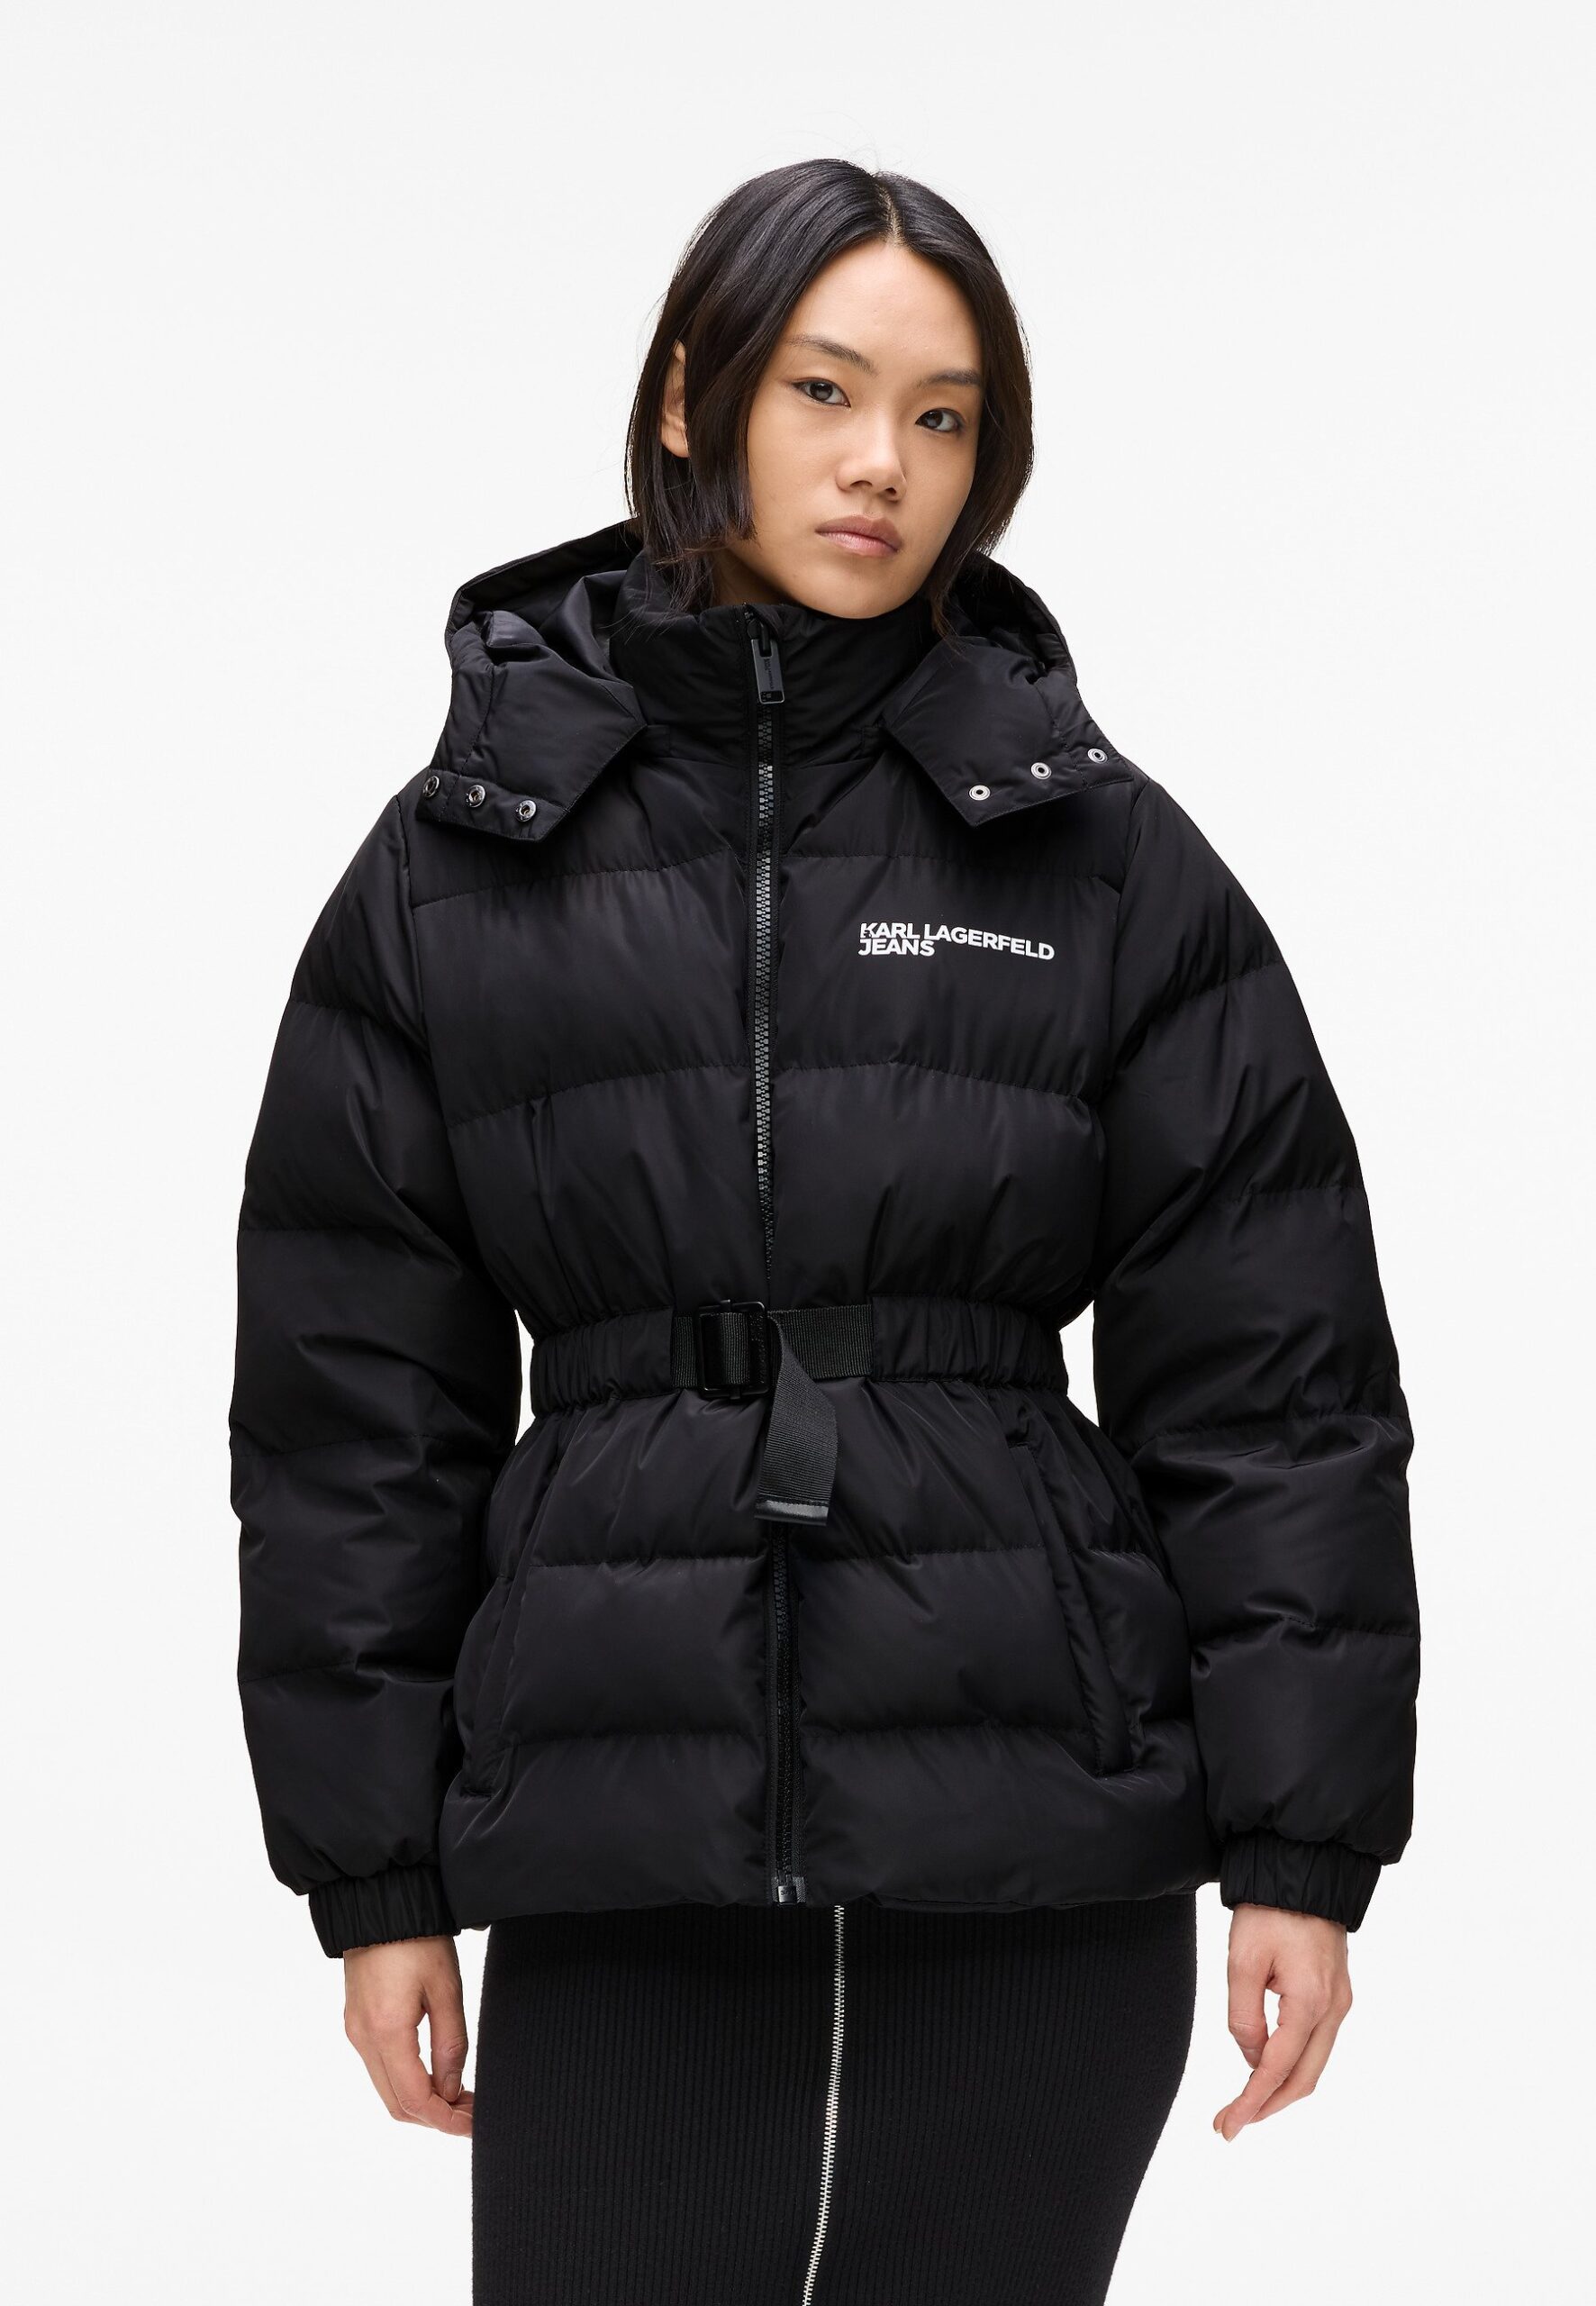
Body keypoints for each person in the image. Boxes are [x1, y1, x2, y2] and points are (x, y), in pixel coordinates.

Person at [230, 158, 1419, 2306]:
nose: (884, 462)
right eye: (826, 389)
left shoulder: (1098, 852)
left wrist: (1298, 1845)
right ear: (694, 397)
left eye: (945, 417)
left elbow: (1274, 1375)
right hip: (624, 1852)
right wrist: (374, 1875)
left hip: (1039, 1847)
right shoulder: (458, 865)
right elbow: (349, 1415)